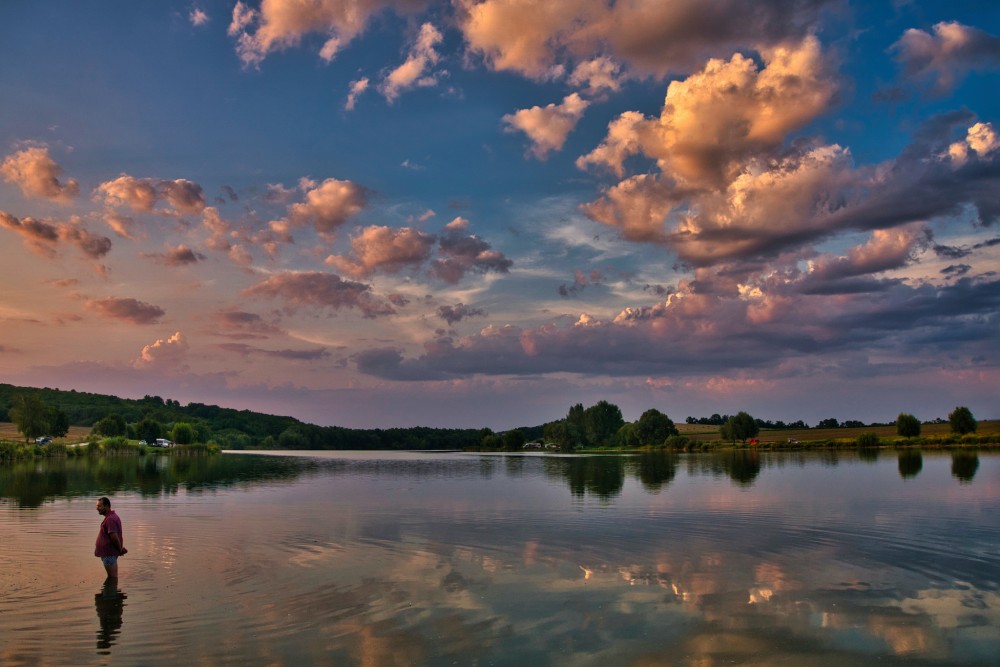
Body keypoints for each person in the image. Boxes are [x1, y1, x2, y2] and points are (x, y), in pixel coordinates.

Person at [95, 497, 127, 578]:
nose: (97, 508)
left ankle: (111, 591)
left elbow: (114, 537)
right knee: (112, 577)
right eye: (97, 506)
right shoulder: (111, 517)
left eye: (99, 506)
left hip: (109, 554)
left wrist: (120, 550)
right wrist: (120, 548)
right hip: (109, 554)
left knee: (112, 578)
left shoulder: (110, 519)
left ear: (106, 506)